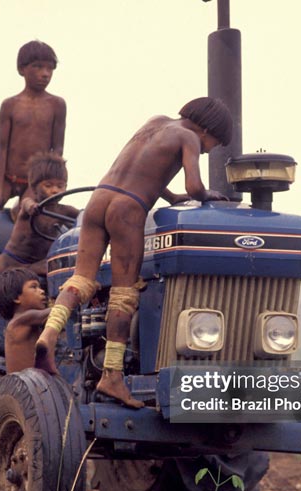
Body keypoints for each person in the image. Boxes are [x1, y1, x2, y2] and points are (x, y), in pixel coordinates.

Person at [34, 97, 232, 408]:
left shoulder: (155, 122)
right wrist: (206, 195)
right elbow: (195, 187)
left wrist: (170, 195)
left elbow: (144, 170)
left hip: (101, 197)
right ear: (206, 129)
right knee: (124, 295)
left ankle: (48, 333)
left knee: (82, 279)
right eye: (211, 144)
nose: (206, 150)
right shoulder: (189, 137)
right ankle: (112, 375)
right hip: (128, 208)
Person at [0, 40, 66, 233]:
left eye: (49, 68)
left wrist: (51, 184)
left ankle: (15, 213)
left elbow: (58, 150)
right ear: (22, 69)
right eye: (38, 67)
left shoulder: (57, 105)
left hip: (34, 181)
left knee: (26, 216)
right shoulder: (10, 105)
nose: (45, 74)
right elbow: (1, 148)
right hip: (6, 177)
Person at [0, 151, 79, 312]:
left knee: (59, 270)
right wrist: (32, 208)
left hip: (36, 264)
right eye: (48, 185)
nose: (55, 191)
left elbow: (85, 216)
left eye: (60, 185)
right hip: (11, 260)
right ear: (34, 187)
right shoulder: (29, 205)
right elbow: (27, 203)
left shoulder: (66, 211)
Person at [0, 267, 50, 373]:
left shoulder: (27, 321)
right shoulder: (21, 320)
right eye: (34, 287)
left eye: (40, 287)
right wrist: (67, 296)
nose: (42, 291)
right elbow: (55, 312)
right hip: (24, 388)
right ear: (16, 298)